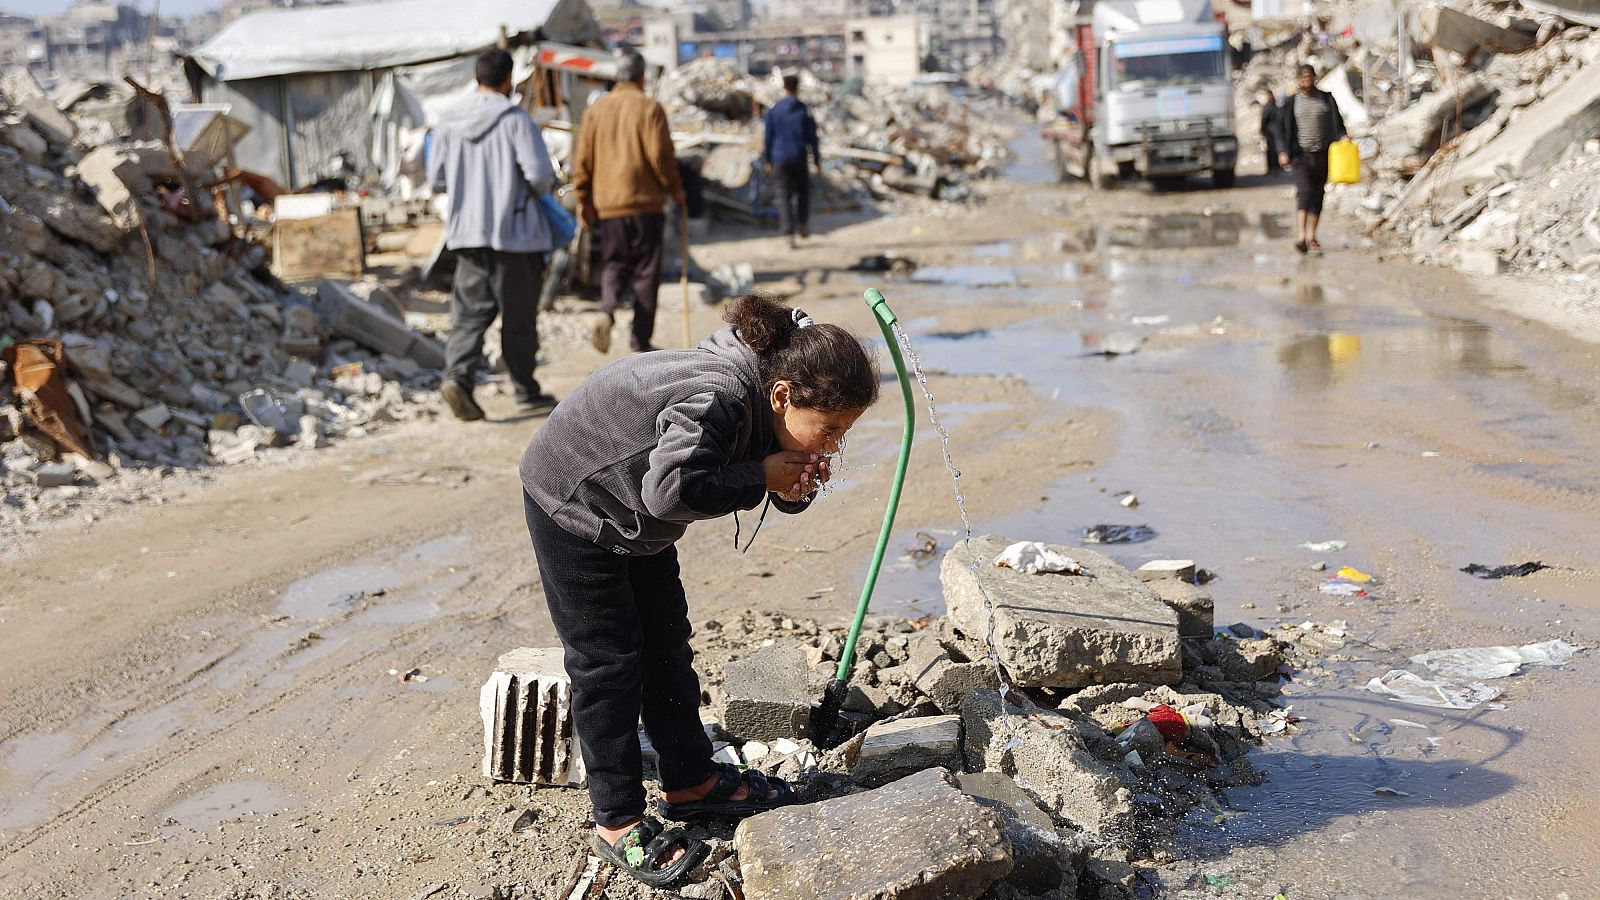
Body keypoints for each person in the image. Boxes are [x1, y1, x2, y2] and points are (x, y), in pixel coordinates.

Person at [519, 295, 879, 888]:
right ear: (784, 395)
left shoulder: (766, 393)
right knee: (608, 664)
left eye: (844, 432)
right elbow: (672, 490)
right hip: (575, 501)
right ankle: (616, 818)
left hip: (634, 514)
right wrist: (762, 475)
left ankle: (690, 780)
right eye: (832, 428)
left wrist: (788, 484)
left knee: (666, 647)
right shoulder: (721, 397)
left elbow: (742, 474)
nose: (835, 443)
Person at [429, 48, 559, 420]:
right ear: (508, 79)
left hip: (467, 236)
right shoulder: (515, 120)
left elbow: (437, 179)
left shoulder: (448, 122)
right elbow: (539, 175)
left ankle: (459, 379)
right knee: (518, 316)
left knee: (469, 315)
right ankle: (525, 390)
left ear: (476, 78)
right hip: (515, 235)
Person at [573, 50, 684, 354]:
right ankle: (640, 340)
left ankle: (606, 311)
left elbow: (582, 161)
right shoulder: (650, 108)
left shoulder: (596, 111)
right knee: (646, 271)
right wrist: (675, 188)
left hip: (609, 206)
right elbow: (661, 157)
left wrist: (583, 200)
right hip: (645, 204)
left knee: (615, 264)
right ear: (641, 76)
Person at [1276, 63, 1346, 253]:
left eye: (1309, 77)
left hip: (1323, 154)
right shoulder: (1291, 103)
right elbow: (1280, 130)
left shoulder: (1326, 100)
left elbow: (1338, 124)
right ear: (1298, 80)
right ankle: (1300, 236)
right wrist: (1283, 151)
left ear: (1314, 78)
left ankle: (1311, 235)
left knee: (1318, 193)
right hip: (1300, 155)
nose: (1306, 81)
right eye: (1303, 78)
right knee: (1304, 192)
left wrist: (1343, 137)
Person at [763, 72, 821, 249]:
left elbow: (768, 137)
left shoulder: (773, 110)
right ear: (797, 88)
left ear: (784, 88)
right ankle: (802, 224)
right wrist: (817, 160)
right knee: (803, 192)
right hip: (799, 156)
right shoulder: (804, 110)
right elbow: (812, 138)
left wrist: (768, 159)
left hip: (779, 157)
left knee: (784, 196)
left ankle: (789, 235)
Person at [1260, 89, 1282, 174]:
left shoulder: (1272, 106)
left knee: (1274, 150)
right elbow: (1264, 119)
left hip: (1273, 132)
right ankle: (1273, 168)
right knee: (1272, 150)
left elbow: (1265, 119)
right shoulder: (1272, 106)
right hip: (1272, 131)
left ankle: (1274, 168)